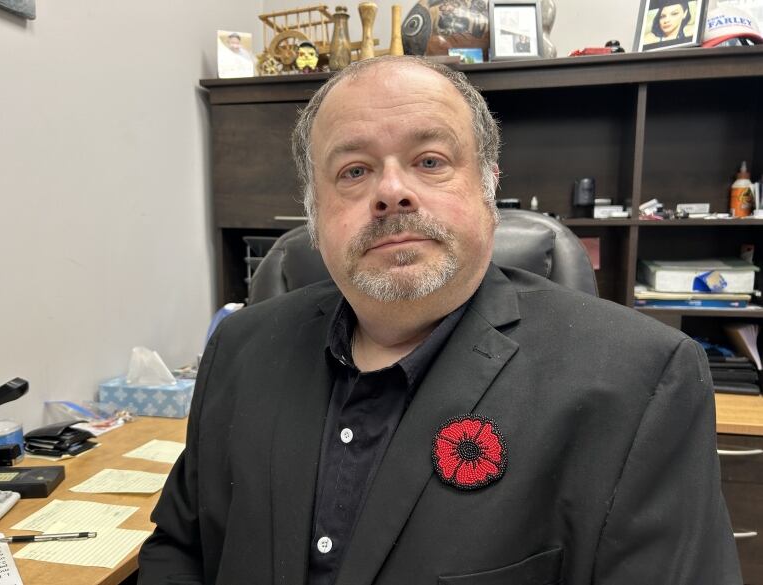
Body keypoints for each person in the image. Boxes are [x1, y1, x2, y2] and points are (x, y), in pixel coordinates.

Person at [137, 56, 741, 584]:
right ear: (314, 214)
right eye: (353, 171)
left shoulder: (639, 381)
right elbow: (178, 551)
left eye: (429, 161)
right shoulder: (240, 347)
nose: (391, 192)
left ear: (487, 189)